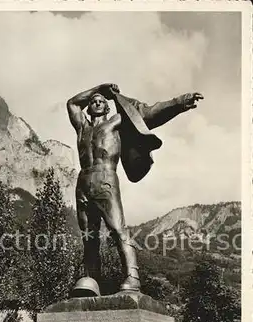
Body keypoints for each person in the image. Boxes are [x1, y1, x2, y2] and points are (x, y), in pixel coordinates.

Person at [67, 83, 203, 293]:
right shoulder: (82, 127)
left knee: (118, 230)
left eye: (101, 101)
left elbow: (149, 114)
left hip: (106, 179)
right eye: (93, 101)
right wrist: (100, 87)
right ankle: (92, 281)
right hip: (83, 183)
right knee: (89, 238)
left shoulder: (117, 122)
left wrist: (180, 102)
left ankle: (133, 277)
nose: (96, 102)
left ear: (107, 107)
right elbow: (73, 103)